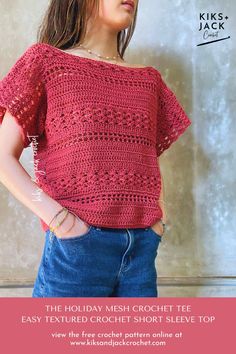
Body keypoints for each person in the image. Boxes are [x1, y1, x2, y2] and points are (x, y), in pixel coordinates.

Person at [0, 0, 191, 297]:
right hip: (78, 249)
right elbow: (3, 158)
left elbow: (148, 158)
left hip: (141, 251)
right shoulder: (46, 64)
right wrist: (57, 217)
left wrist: (158, 218)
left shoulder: (149, 80)